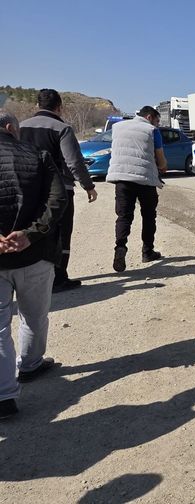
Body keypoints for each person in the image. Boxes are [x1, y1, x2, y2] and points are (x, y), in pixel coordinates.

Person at [0, 109, 68, 419]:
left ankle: (3, 397)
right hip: (34, 255)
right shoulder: (39, 155)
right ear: (11, 127)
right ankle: (29, 365)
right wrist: (30, 235)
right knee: (34, 316)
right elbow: (57, 202)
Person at [19, 89, 98, 293]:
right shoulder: (62, 128)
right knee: (61, 234)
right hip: (59, 191)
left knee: (32, 230)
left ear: (37, 106)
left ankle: (30, 277)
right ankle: (58, 278)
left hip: (27, 190)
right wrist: (88, 185)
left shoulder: (19, 127)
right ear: (59, 107)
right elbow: (74, 162)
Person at [106, 106, 167, 272]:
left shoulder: (117, 127)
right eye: (157, 120)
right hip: (144, 179)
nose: (157, 123)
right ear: (149, 117)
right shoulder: (152, 130)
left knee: (124, 216)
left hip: (122, 179)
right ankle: (147, 252)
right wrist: (162, 166)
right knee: (148, 216)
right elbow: (160, 157)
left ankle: (120, 247)